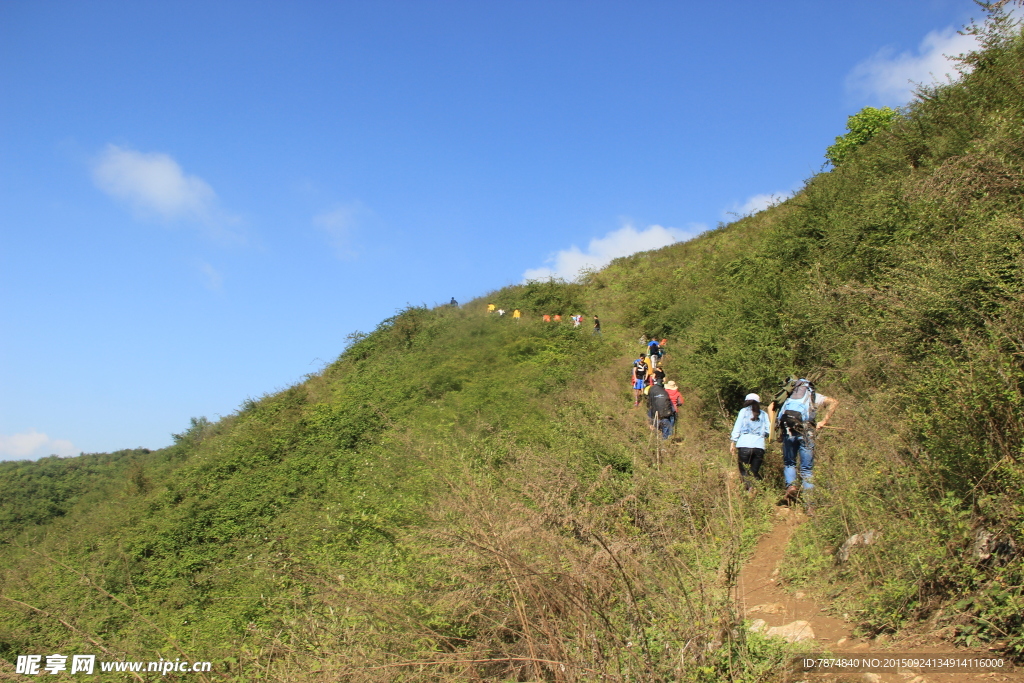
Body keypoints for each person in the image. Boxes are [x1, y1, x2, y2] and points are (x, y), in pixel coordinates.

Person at [768, 378, 839, 510]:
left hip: (788, 433)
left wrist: (777, 431)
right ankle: (810, 505)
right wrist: (824, 421)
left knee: (790, 463)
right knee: (806, 469)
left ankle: (791, 486)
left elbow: (772, 409)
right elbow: (834, 402)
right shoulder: (813, 396)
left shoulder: (788, 398)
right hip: (807, 432)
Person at [730, 393, 771, 494]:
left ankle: (748, 492)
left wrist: (733, 441)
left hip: (744, 445)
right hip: (759, 447)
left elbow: (737, 427)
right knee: (754, 472)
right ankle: (754, 490)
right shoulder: (764, 414)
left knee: (744, 472)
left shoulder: (743, 412)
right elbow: (768, 431)